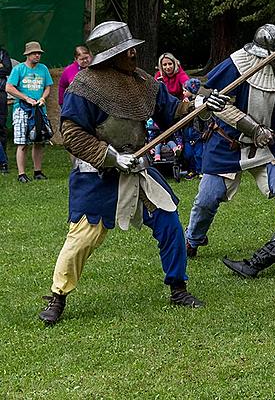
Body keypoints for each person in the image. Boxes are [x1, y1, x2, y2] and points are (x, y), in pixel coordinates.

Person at [38, 21, 207, 326]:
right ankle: (57, 296)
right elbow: (72, 133)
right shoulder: (84, 87)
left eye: (132, 48)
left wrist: (198, 104)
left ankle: (178, 288)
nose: (133, 54)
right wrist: (113, 157)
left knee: (169, 222)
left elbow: (170, 111)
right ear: (109, 55)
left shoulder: (143, 82)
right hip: (98, 175)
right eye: (126, 50)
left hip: (139, 171)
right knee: (81, 239)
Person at [185, 24, 275, 277]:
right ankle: (192, 239)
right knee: (207, 199)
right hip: (227, 143)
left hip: (268, 143)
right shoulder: (237, 64)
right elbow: (207, 96)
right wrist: (252, 128)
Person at [5, 41, 53, 183]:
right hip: (22, 109)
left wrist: (43, 98)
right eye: (34, 53)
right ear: (28, 54)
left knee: (39, 141)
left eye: (39, 53)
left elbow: (48, 87)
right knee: (22, 142)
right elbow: (9, 87)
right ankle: (21, 174)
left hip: (39, 109)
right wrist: (26, 98)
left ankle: (37, 171)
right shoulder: (19, 69)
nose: (37, 55)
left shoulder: (43, 69)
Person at [0, 43, 11, 174]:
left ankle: (3, 162)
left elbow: (7, 69)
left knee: (1, 127)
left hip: (1, 93)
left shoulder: (3, 53)